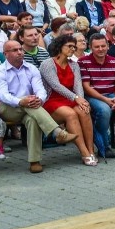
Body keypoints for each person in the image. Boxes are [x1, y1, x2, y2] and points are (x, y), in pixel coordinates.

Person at [0, 40, 78, 172]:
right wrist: (21, 101)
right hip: (8, 108)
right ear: (5, 54)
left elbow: (40, 90)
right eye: (15, 50)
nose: (20, 52)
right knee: (28, 102)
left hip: (31, 108)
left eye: (20, 49)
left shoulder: (31, 68)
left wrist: (39, 99)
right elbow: (3, 96)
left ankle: (34, 161)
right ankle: (57, 132)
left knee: (33, 120)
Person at [39, 34, 95, 166]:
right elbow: (55, 86)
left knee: (84, 111)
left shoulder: (74, 65)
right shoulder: (47, 64)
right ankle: (84, 152)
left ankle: (91, 150)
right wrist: (76, 98)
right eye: (69, 46)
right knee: (71, 114)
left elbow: (78, 85)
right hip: (52, 99)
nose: (73, 49)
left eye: (74, 47)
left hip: (71, 99)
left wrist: (81, 100)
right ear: (60, 46)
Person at [79, 33, 115, 158]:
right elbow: (86, 87)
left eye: (103, 46)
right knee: (104, 110)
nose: (100, 49)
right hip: (93, 96)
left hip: (113, 94)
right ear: (90, 47)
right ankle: (104, 146)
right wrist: (106, 100)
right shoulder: (83, 62)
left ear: (108, 46)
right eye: (97, 47)